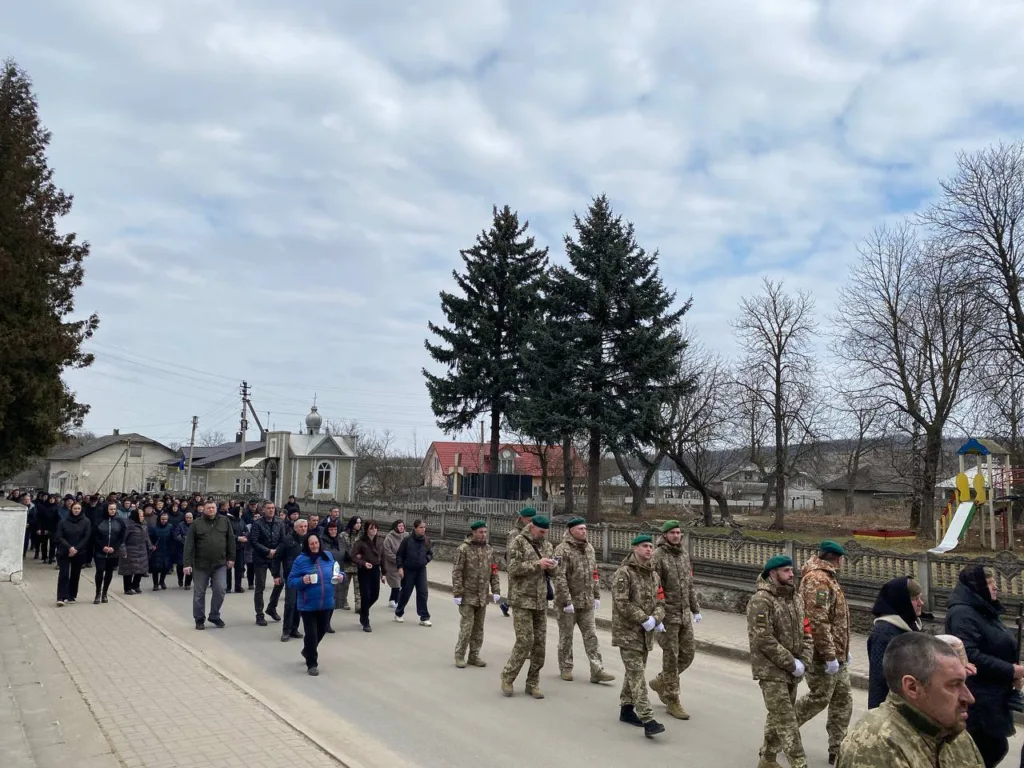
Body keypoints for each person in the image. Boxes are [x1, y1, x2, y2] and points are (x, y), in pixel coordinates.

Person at [836, 632, 983, 768]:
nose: (969, 698)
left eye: (964, 682)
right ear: (912, 687)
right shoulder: (875, 744)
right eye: (954, 685)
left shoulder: (952, 732)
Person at [945, 565, 1021, 767]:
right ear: (976, 587)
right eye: (989, 583)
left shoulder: (983, 609)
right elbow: (971, 654)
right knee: (986, 748)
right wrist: (1011, 670)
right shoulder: (962, 614)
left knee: (994, 747)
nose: (995, 587)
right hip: (978, 695)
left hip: (994, 693)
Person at [747, 554, 812, 768]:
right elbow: (763, 639)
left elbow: (807, 631)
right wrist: (791, 663)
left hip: (792, 668)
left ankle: (767, 757)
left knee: (778, 716)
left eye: (792, 570)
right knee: (786, 720)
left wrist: (805, 660)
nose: (792, 574)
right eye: (786, 570)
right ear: (773, 574)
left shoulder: (796, 598)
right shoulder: (761, 600)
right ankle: (800, 764)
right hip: (770, 669)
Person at [795, 540, 853, 765]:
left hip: (836, 655)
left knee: (843, 700)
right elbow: (818, 621)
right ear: (837, 558)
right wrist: (829, 655)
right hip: (822, 657)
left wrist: (843, 651)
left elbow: (835, 619)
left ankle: (837, 748)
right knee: (819, 698)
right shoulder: (818, 580)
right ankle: (782, 730)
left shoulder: (828, 577)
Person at [611, 533, 666, 738]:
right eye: (644, 546)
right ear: (635, 549)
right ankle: (648, 719)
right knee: (637, 675)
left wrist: (657, 619)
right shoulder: (624, 573)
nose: (649, 550)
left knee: (635, 671)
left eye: (651, 546)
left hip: (646, 633)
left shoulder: (654, 575)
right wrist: (644, 618)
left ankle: (626, 709)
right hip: (628, 632)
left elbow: (661, 600)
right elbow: (621, 602)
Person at [648, 519, 700, 719]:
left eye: (679, 532)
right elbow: (653, 588)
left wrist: (695, 609)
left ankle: (662, 681)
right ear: (665, 535)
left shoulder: (684, 555)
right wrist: (657, 616)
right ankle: (672, 699)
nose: (676, 536)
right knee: (671, 657)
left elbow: (689, 584)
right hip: (667, 615)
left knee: (688, 654)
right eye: (673, 533)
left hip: (684, 613)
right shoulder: (658, 556)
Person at [553, 517, 614, 685]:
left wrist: (596, 595)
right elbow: (559, 577)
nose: (584, 531)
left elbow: (594, 573)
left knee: (591, 636)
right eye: (580, 529)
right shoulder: (562, 550)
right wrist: (566, 601)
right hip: (568, 604)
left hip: (586, 602)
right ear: (571, 530)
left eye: (585, 528)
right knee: (566, 636)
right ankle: (566, 667)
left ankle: (597, 670)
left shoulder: (589, 549)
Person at [500, 514, 555, 699]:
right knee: (524, 642)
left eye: (546, 532)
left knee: (540, 646)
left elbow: (551, 571)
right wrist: (537, 564)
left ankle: (533, 683)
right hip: (522, 599)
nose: (543, 535)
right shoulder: (518, 542)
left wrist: (553, 566)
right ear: (531, 527)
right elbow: (513, 569)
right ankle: (508, 677)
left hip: (540, 601)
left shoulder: (547, 545)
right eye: (541, 532)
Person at [287, 532, 341, 677]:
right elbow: (291, 581)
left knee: (322, 630)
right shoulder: (301, 560)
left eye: (316, 543)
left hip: (327, 603)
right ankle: (312, 663)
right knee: (311, 634)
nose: (314, 546)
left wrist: (341, 576)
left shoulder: (328, 556)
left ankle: (307, 650)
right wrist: (302, 581)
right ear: (307, 545)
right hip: (308, 605)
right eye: (311, 544)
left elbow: (338, 571)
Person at [867, 576, 924, 709]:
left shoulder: (909, 625)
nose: (921, 603)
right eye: (915, 599)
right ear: (902, 601)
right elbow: (882, 678)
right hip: (889, 707)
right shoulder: (883, 633)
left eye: (920, 598)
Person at [452, 520, 501, 668]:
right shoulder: (463, 549)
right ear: (473, 532)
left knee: (479, 628)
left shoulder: (489, 550)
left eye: (485, 532)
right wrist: (458, 592)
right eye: (480, 532)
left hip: (482, 596)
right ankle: (460, 655)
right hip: (467, 595)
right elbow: (457, 572)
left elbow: (494, 571)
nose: (483, 535)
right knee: (467, 627)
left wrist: (496, 590)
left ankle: (474, 655)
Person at [182, 500, 236, 630]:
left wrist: (231, 558)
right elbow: (189, 545)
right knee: (199, 593)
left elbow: (231, 540)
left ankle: (214, 615)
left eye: (213, 508)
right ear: (203, 509)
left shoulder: (224, 521)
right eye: (208, 508)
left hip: (220, 563)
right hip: (201, 564)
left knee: (221, 589)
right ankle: (199, 618)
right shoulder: (196, 524)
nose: (211, 510)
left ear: (216, 509)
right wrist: (186, 564)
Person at [250, 501, 286, 626]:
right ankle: (259, 614)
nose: (271, 510)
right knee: (260, 586)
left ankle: (272, 607)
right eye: (268, 508)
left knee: (280, 581)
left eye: (273, 508)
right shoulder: (257, 523)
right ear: (263, 510)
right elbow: (253, 541)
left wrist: (277, 551)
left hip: (275, 557)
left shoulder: (279, 522)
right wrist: (267, 551)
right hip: (261, 558)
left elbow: (283, 539)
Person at [394, 519, 433, 626]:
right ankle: (399, 613)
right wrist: (400, 568)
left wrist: (426, 559)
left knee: (423, 593)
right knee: (406, 592)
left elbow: (430, 553)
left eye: (424, 527)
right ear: (415, 528)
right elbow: (399, 555)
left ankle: (424, 617)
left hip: (421, 570)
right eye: (420, 527)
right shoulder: (407, 540)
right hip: (408, 570)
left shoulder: (426, 540)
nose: (423, 529)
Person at [500, 506, 536, 617]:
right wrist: (513, 568)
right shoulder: (515, 534)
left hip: (529, 566)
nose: (531, 523)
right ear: (522, 519)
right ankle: (509, 606)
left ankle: (507, 605)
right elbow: (512, 553)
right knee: (515, 589)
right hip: (517, 566)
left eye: (533, 520)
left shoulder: (532, 532)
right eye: (529, 520)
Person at [54, 501, 92, 606]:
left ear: (81, 510)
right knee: (64, 574)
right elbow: (59, 536)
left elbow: (86, 537)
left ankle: (71, 595)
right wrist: (69, 548)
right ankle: (61, 596)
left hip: (79, 552)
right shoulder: (63, 521)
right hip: (64, 551)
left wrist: (76, 549)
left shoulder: (86, 521)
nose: (76, 510)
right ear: (71, 509)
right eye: (74, 508)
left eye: (78, 509)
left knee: (75, 574)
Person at [351, 520, 386, 632]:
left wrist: (384, 573)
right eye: (371, 528)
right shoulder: (361, 542)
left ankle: (363, 610)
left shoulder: (380, 541)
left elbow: (383, 557)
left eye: (375, 528)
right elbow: (353, 556)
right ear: (366, 529)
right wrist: (363, 563)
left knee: (375, 594)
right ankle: (365, 620)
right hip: (365, 570)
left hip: (375, 569)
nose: (374, 530)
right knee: (365, 595)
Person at [276, 518, 308, 642]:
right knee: (290, 603)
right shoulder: (287, 540)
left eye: (305, 526)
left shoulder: (308, 541)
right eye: (301, 526)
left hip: (305, 577)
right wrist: (276, 575)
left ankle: (295, 628)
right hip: (291, 576)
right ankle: (286, 630)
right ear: (295, 528)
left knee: (300, 604)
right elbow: (277, 557)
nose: (304, 528)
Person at [92, 502, 126, 604]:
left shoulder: (120, 521)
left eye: (114, 509)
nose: (112, 511)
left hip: (113, 552)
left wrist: (114, 548)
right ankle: (98, 593)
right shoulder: (99, 521)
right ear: (106, 509)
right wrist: (103, 546)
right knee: (100, 570)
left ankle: (105, 593)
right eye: (110, 509)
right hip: (100, 551)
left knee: (109, 572)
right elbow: (94, 536)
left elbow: (121, 537)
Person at [319, 518, 346, 633]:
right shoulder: (322, 540)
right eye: (331, 529)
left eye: (335, 529)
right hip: (326, 573)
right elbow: (323, 554)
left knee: (333, 601)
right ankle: (322, 623)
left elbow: (346, 553)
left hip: (338, 571)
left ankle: (327, 623)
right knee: (325, 599)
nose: (333, 531)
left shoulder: (340, 540)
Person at [118, 508, 149, 595]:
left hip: (142, 550)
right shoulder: (128, 525)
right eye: (141, 516)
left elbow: (147, 537)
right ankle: (127, 588)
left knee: (140, 569)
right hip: (130, 550)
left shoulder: (144, 525)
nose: (143, 517)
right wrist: (123, 551)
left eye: (143, 516)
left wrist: (150, 546)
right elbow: (122, 540)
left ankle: (136, 585)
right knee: (129, 570)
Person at [339, 516, 362, 612]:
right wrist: (350, 557)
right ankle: (343, 601)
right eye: (357, 523)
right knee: (345, 585)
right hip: (347, 564)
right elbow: (341, 548)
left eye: (360, 523)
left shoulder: (361, 535)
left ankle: (358, 605)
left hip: (358, 564)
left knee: (358, 586)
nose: (359, 525)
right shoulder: (343, 535)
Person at [147, 511, 175, 591]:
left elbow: (172, 538)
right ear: (159, 519)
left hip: (167, 549)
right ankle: (155, 584)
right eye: (162, 519)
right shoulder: (154, 527)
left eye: (165, 519)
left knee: (165, 567)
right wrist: (152, 546)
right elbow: (150, 538)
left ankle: (162, 581)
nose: (164, 521)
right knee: (155, 568)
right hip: (156, 550)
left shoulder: (170, 526)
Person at [383, 519, 407, 607]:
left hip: (404, 565)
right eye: (399, 526)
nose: (401, 528)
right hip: (392, 565)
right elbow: (387, 552)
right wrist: (397, 560)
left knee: (402, 583)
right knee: (396, 583)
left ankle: (394, 599)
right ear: (395, 527)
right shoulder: (389, 537)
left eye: (402, 526)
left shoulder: (407, 536)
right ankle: (394, 600)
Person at [227, 505, 248, 593]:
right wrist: (238, 538)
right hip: (230, 548)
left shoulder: (241, 521)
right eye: (240, 511)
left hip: (240, 548)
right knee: (228, 568)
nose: (241, 513)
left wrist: (245, 536)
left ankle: (238, 587)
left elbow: (246, 530)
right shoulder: (229, 521)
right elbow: (228, 534)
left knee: (239, 568)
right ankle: (227, 587)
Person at [173, 511, 193, 588]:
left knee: (190, 566)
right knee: (180, 566)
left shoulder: (195, 525)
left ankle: (187, 583)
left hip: (192, 549)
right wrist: (183, 540)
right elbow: (176, 535)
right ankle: (180, 579)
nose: (188, 519)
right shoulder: (180, 525)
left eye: (190, 518)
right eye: (187, 518)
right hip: (181, 548)